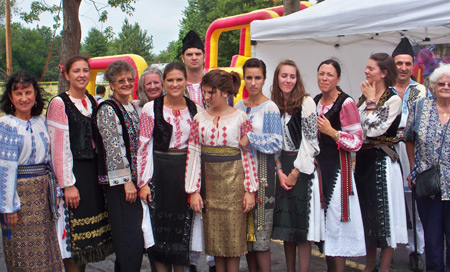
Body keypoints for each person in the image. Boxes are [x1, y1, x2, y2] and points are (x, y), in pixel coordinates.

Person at [186, 69, 258, 272]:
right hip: (210, 186)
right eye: (205, 92)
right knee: (216, 242)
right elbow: (193, 154)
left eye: (212, 92)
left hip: (235, 183)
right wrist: (193, 190)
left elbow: (248, 155)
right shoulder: (199, 118)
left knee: (234, 243)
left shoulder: (241, 118)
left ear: (225, 92)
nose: (207, 97)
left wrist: (250, 189)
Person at [47, 55, 113, 272]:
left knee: (85, 243)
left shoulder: (92, 101)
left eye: (85, 70)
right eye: (76, 71)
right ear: (67, 75)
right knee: (73, 238)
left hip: (92, 173)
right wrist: (68, 184)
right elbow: (58, 147)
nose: (82, 75)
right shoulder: (59, 103)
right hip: (74, 174)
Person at [138, 62, 201, 272]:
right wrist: (144, 183)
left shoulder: (196, 110)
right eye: (170, 80)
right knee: (159, 233)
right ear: (164, 82)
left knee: (181, 232)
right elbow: (144, 147)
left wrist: (196, 185)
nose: (175, 84)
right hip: (159, 175)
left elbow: (198, 149)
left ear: (185, 81)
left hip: (185, 175)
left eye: (179, 79)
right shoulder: (150, 108)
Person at [0, 71, 63, 271]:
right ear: (10, 97)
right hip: (19, 197)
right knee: (21, 255)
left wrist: (58, 191)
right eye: (18, 94)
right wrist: (8, 207)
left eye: (28, 92)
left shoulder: (42, 121)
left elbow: (52, 158)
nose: (24, 98)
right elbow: (5, 169)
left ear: (35, 94)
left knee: (47, 251)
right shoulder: (6, 126)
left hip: (43, 195)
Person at [354, 53, 408, 272]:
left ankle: (384, 267)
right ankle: (369, 265)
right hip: (364, 160)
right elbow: (356, 127)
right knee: (367, 214)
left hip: (382, 162)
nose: (366, 72)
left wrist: (370, 102)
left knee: (385, 216)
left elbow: (373, 128)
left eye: (371, 68)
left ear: (384, 73)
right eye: (366, 68)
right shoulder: (364, 96)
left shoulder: (393, 99)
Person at [94, 60, 148, 272]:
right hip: (120, 186)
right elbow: (113, 148)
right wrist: (126, 182)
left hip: (132, 182)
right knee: (129, 242)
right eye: (121, 81)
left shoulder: (131, 106)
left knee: (133, 242)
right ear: (112, 85)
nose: (126, 83)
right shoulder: (108, 109)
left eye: (129, 80)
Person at [270, 60, 323, 272]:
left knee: (302, 227)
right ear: (277, 78)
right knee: (286, 227)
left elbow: (311, 141)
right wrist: (279, 170)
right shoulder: (272, 104)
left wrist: (295, 172)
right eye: (284, 76)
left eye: (292, 76)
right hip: (281, 165)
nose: (288, 80)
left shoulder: (306, 102)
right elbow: (272, 140)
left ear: (297, 79)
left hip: (302, 166)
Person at [314, 59, 366, 272]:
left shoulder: (346, 103)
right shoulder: (316, 100)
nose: (324, 78)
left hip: (338, 169)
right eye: (321, 74)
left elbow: (357, 141)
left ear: (338, 79)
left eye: (329, 74)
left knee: (336, 222)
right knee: (324, 222)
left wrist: (332, 132)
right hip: (319, 170)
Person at [234, 58, 283, 272]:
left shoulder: (270, 107)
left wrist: (251, 138)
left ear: (264, 79)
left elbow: (276, 142)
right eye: (249, 78)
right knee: (246, 240)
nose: (253, 83)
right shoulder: (238, 107)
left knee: (261, 238)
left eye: (257, 78)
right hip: (240, 176)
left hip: (263, 175)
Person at [405, 63, 450, 272]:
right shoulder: (420, 107)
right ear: (433, 86)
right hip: (427, 185)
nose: (446, 86)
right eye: (441, 83)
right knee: (432, 240)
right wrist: (414, 168)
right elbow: (409, 139)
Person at [391, 37, 429, 271]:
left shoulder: (421, 90)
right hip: (390, 154)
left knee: (416, 205)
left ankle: (417, 250)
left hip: (414, 153)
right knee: (392, 203)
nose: (403, 68)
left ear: (413, 65)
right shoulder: (384, 90)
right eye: (399, 63)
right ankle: (390, 250)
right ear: (392, 65)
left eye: (407, 63)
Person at [182, 30, 206, 109]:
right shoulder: (176, 85)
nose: (194, 58)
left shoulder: (215, 82)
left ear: (204, 57)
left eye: (198, 54)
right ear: (183, 58)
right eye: (189, 54)